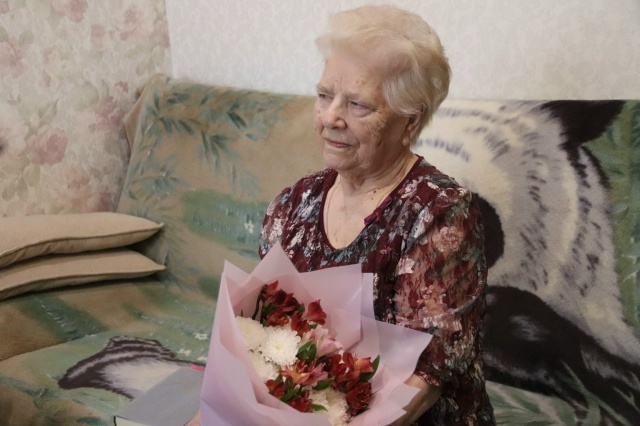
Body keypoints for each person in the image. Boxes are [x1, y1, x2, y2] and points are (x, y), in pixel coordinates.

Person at [258, 4, 495, 426]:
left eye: (358, 105)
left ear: (409, 122)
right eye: (324, 96)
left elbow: (427, 380)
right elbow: (264, 334)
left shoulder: (439, 214)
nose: (330, 117)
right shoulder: (292, 205)